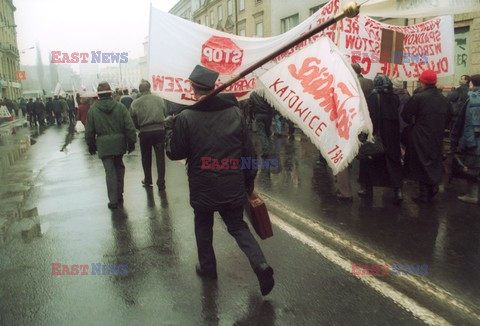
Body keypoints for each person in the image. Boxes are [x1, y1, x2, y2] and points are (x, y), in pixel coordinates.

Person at [165, 65, 274, 296]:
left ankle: (208, 268)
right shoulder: (234, 113)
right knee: (237, 227)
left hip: (202, 185)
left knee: (203, 227)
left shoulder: (186, 118)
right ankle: (261, 265)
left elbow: (174, 152)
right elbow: (249, 153)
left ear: (193, 89)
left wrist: (169, 129)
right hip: (231, 183)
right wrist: (248, 184)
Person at [85, 81, 136, 209]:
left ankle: (113, 200)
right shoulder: (120, 107)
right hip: (119, 143)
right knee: (119, 166)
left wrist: (91, 145)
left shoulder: (93, 110)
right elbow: (129, 126)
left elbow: (89, 130)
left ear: (99, 95)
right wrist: (131, 141)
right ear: (110, 93)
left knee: (109, 171)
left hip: (104, 145)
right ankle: (119, 194)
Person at [402, 70, 451, 203]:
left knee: (420, 161)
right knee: (434, 160)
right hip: (437, 134)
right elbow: (449, 117)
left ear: (423, 82)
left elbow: (406, 115)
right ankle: (432, 186)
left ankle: (424, 192)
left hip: (420, 134)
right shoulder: (444, 99)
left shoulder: (419, 97)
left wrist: (414, 123)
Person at [358, 75, 403, 204]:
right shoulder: (394, 97)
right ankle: (397, 190)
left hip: (376, 134)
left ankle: (367, 188)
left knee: (369, 161)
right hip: (392, 136)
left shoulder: (372, 97)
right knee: (393, 162)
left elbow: (368, 117)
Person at [131, 80, 168, 191]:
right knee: (160, 157)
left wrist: (139, 127)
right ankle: (161, 182)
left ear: (140, 90)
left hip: (145, 132)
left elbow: (132, 118)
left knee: (146, 157)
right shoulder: (159, 99)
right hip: (159, 131)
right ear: (149, 88)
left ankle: (148, 180)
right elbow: (165, 112)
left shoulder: (135, 103)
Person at [450, 74, 480, 204]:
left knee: (472, 166)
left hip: (475, 139)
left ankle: (472, 195)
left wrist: (466, 142)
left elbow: (467, 123)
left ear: (472, 84)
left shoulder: (473, 99)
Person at [249, 91, 274, 157]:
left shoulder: (253, 94)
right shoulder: (267, 93)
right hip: (268, 115)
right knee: (267, 130)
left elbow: (250, 106)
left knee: (261, 133)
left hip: (258, 115)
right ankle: (268, 146)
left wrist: (251, 116)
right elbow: (272, 104)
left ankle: (266, 150)